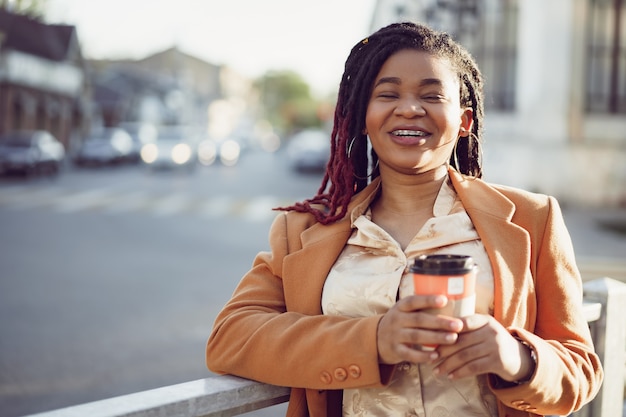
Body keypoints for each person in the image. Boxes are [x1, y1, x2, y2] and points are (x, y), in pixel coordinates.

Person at [206, 22, 603, 417]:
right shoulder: (304, 231)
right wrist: (374, 339)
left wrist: (518, 358)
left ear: (464, 122)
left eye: (432, 95)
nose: (410, 108)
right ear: (363, 116)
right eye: (388, 94)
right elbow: (230, 338)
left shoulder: (533, 220)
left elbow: (581, 371)